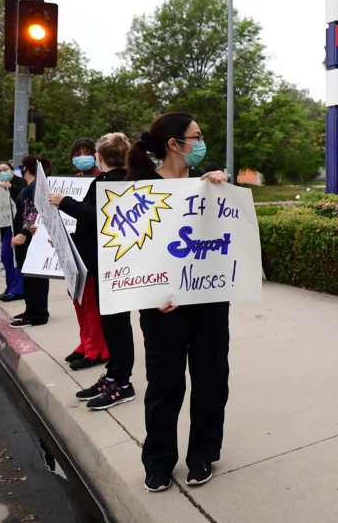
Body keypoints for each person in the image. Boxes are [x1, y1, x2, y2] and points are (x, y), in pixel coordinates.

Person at [126, 112, 229, 493]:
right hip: (162, 308)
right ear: (174, 144)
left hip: (210, 302)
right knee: (165, 386)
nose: (201, 143)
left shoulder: (209, 183)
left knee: (212, 380)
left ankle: (202, 455)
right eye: (195, 136)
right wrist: (150, 295)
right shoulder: (139, 187)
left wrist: (221, 187)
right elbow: (127, 254)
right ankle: (158, 462)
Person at [50, 133, 134, 406]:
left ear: (99, 156)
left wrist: (63, 202)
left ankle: (122, 381)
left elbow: (95, 216)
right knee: (111, 324)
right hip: (103, 262)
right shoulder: (109, 180)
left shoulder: (115, 183)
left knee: (117, 325)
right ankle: (113, 376)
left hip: (111, 263)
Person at [57, 136, 110, 371]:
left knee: (90, 301)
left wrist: (64, 202)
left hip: (92, 252)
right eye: (77, 152)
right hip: (75, 249)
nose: (81, 156)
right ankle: (86, 342)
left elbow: (90, 214)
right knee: (77, 298)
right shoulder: (72, 181)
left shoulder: (102, 180)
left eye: (86, 151)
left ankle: (97, 349)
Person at [10, 156, 51, 327]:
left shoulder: (36, 187)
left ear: (27, 168)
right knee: (28, 275)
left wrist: (24, 232)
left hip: (31, 237)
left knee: (35, 277)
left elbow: (34, 211)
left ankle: (38, 313)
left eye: (22, 167)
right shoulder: (30, 186)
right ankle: (31, 309)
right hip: (28, 237)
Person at [0, 162, 27, 304]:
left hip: (19, 226)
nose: (2, 172)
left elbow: (23, 201)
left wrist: (11, 188)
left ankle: (18, 290)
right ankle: (10, 287)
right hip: (6, 226)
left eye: (4, 169)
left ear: (12, 170)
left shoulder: (20, 183)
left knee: (17, 258)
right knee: (6, 257)